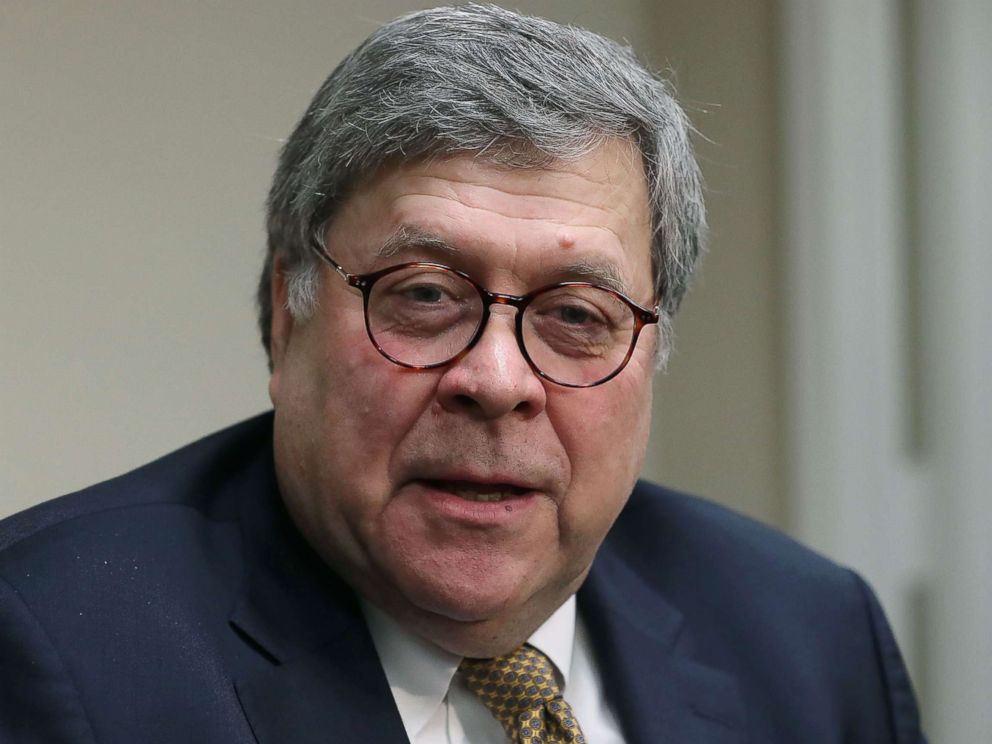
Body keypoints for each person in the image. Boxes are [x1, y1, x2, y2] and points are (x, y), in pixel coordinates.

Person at [0, 5, 925, 743]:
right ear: (288, 318)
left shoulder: (811, 639)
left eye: (575, 316)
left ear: (650, 353)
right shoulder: (55, 644)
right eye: (427, 295)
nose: (495, 378)